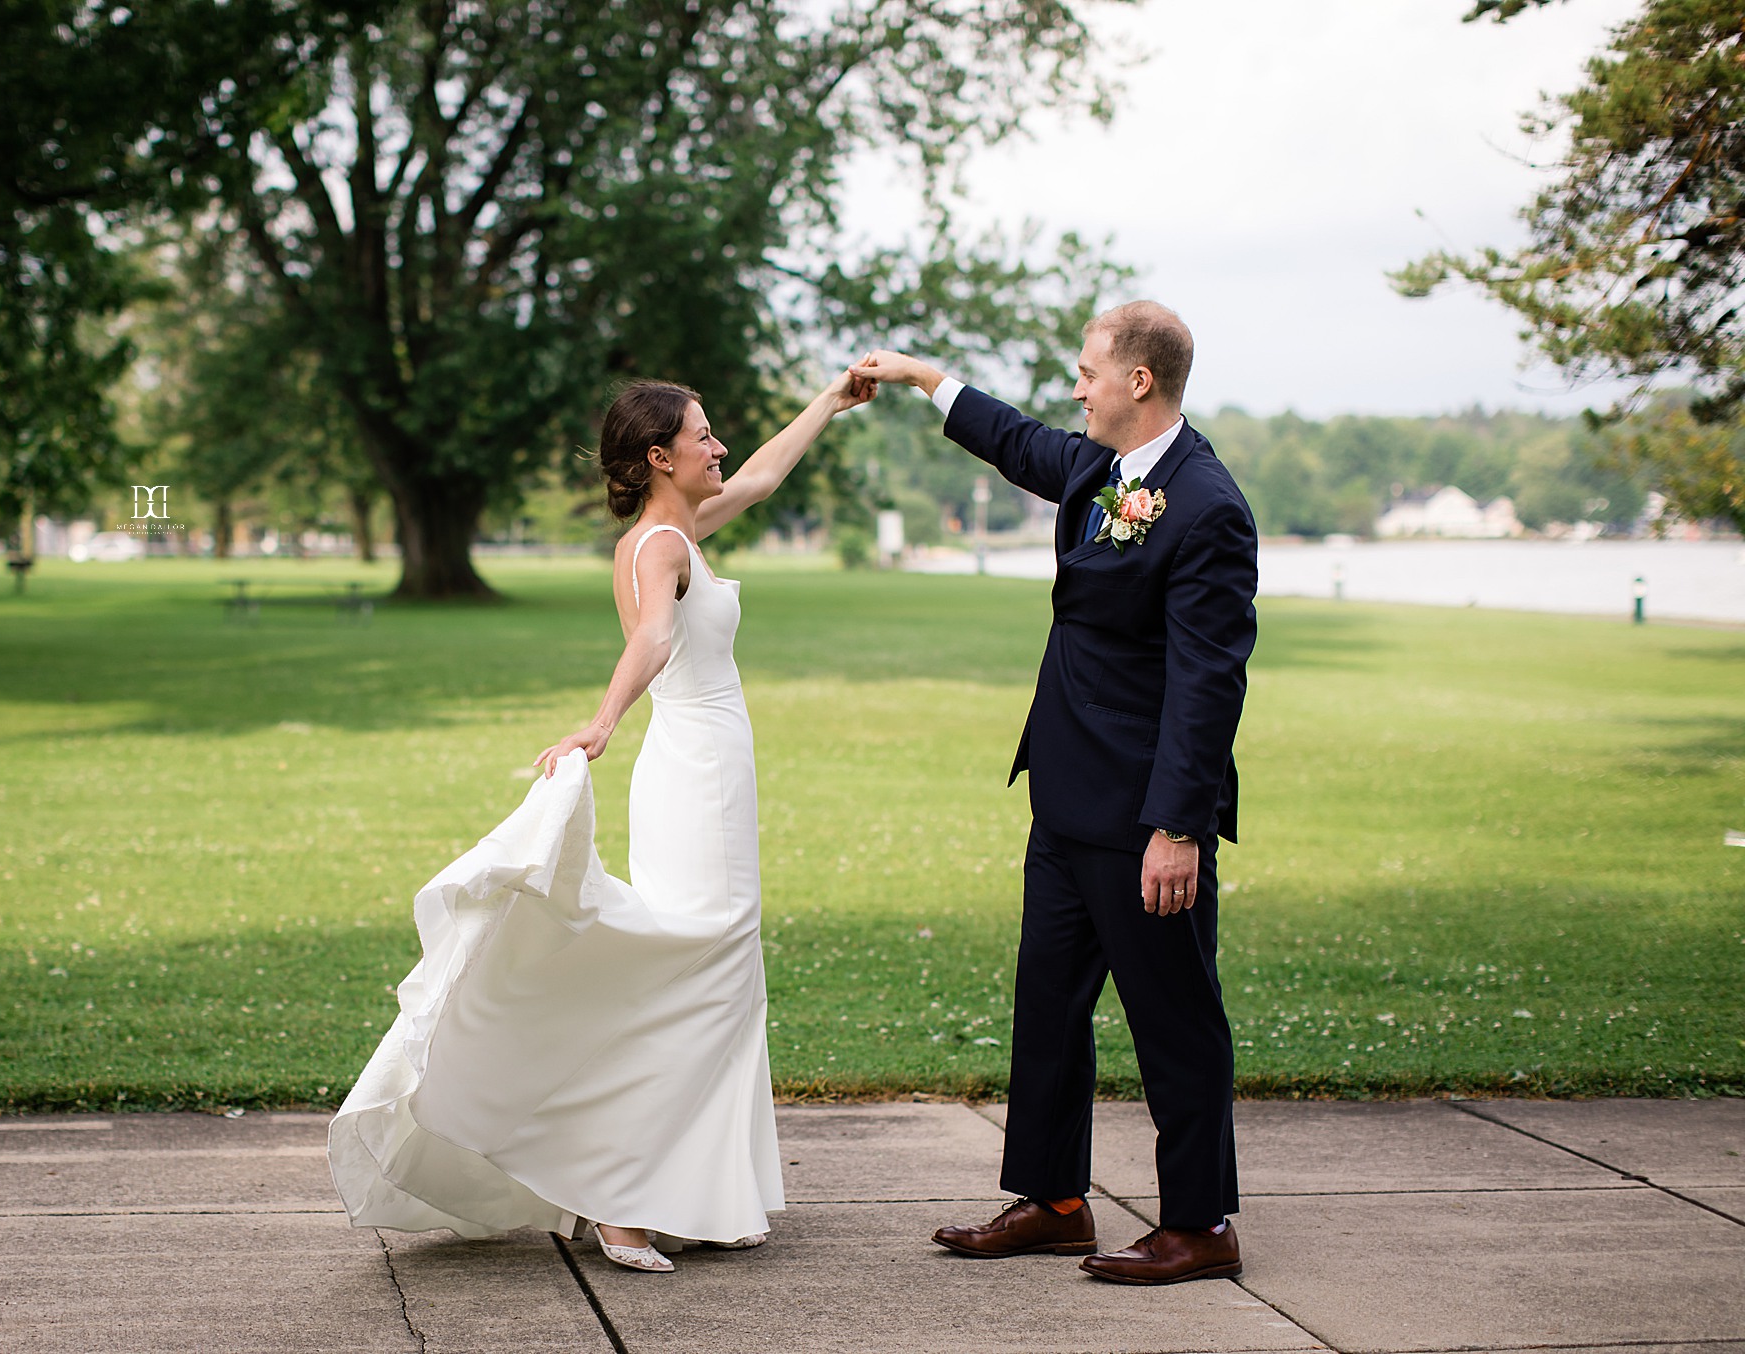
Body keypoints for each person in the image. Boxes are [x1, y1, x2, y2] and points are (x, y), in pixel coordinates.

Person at [327, 370, 875, 1274]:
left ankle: (672, 1188)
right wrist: (602, 720)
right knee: (707, 961)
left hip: (701, 768)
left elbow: (766, 477)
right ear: (660, 457)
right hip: (693, 767)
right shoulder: (661, 544)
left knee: (713, 968)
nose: (719, 448)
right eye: (703, 436)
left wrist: (827, 402)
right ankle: (626, 1198)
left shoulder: (675, 528)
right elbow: (653, 640)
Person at [849, 301, 1258, 1285]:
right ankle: (1054, 1200)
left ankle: (1200, 1224)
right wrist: (916, 374)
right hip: (1065, 796)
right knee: (1047, 1007)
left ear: (1138, 382)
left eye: (1086, 371)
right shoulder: (1095, 469)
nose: (1074, 387)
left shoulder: (1205, 506)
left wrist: (1178, 827)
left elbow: (1209, 683)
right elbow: (1011, 439)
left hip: (1143, 815)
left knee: (1174, 1019)